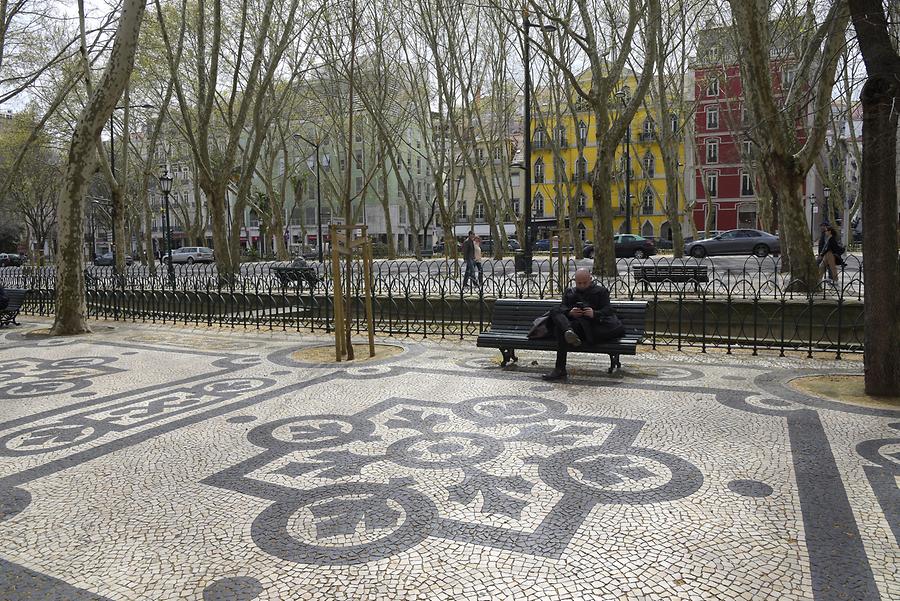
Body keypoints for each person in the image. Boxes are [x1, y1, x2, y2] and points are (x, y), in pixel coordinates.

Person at [540, 268, 625, 381]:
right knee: (555, 311)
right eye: (579, 283)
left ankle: (560, 369)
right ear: (575, 281)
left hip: (590, 328)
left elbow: (609, 310)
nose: (582, 285)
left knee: (559, 330)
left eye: (585, 282)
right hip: (574, 326)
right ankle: (568, 331)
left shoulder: (601, 291)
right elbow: (562, 308)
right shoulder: (570, 292)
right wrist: (570, 312)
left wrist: (594, 313)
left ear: (590, 279)